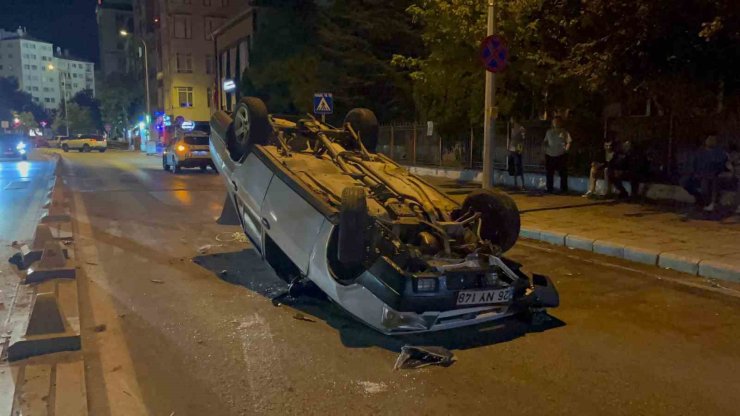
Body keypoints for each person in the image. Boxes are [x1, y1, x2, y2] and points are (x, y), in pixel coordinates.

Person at [680, 135, 728, 212]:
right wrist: (694, 173)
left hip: (710, 175)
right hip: (698, 174)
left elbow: (721, 166)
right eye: (709, 139)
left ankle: (710, 203)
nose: (710, 141)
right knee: (684, 181)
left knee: (708, 182)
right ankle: (698, 197)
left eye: (713, 139)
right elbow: (694, 164)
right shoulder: (700, 152)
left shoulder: (720, 153)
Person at [543, 116, 572, 193]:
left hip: (561, 154)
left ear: (560, 123)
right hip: (550, 154)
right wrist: (545, 149)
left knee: (563, 173)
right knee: (549, 173)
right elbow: (545, 141)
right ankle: (549, 188)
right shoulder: (549, 132)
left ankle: (564, 189)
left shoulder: (564, 132)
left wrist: (566, 150)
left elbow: (569, 141)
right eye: (554, 122)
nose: (556, 123)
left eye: (557, 122)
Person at [507, 119, 526, 190]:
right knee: (513, 167)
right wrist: (509, 148)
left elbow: (523, 140)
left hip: (517, 150)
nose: (511, 121)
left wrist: (520, 149)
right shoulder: (512, 128)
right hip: (512, 149)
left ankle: (522, 184)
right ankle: (516, 184)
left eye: (512, 119)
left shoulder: (521, 128)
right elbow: (511, 139)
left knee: (518, 167)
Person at [727, 143, 740, 214]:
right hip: (733, 179)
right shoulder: (729, 163)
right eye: (731, 154)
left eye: (735, 154)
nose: (733, 155)